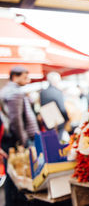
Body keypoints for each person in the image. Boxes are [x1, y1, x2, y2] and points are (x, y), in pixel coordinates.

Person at [0, 66, 39, 206]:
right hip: (16, 140)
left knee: (12, 174)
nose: (27, 79)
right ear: (15, 76)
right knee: (17, 174)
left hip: (9, 139)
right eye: (24, 76)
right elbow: (15, 120)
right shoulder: (14, 92)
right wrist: (23, 141)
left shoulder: (7, 91)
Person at [39, 72, 69, 141]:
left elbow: (42, 107)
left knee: (51, 141)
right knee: (59, 141)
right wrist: (67, 119)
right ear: (56, 81)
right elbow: (62, 109)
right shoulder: (57, 92)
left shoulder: (42, 93)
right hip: (58, 122)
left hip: (48, 122)